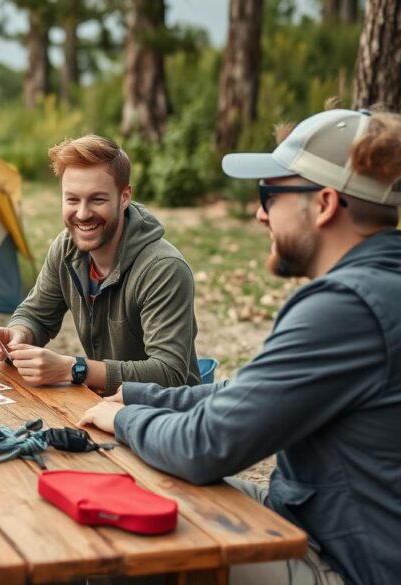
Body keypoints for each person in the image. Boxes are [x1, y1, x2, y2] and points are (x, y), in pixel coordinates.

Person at [78, 109, 401, 585]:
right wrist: (144, 396)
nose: (259, 212)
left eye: (270, 194)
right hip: (330, 524)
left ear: (325, 203)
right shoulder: (378, 287)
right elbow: (248, 393)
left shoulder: (346, 307)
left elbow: (206, 446)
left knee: (127, 523)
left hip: (347, 563)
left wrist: (124, 420)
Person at [0, 134, 200, 396]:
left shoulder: (164, 269)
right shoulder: (65, 249)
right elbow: (36, 315)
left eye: (97, 199)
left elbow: (170, 374)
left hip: (169, 415)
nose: (83, 213)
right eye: (72, 200)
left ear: (124, 197)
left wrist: (75, 369)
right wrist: (18, 334)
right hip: (106, 404)